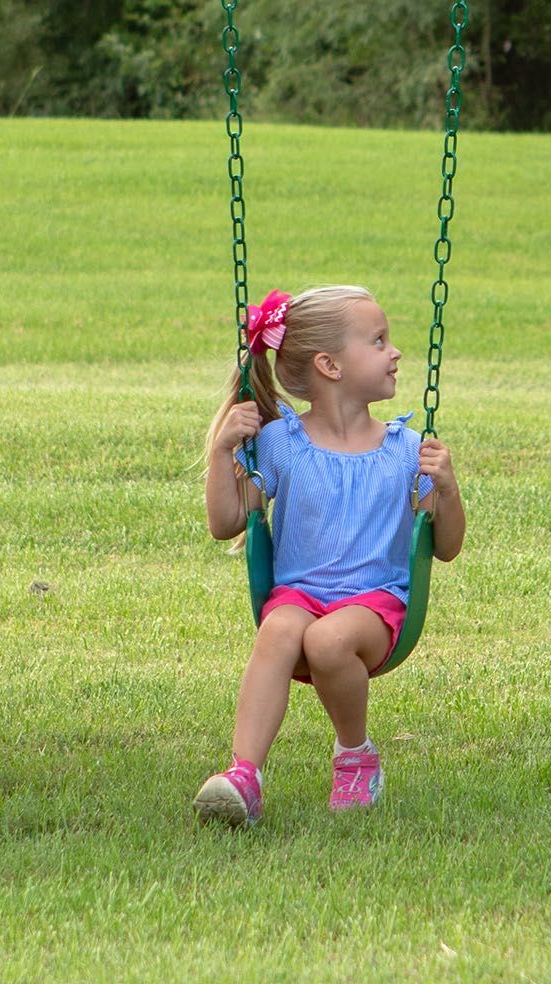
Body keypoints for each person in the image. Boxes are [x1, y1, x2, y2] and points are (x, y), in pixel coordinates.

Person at [195, 285, 465, 825]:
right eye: (379, 340)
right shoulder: (281, 444)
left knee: (329, 638)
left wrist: (449, 490)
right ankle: (243, 777)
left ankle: (355, 756)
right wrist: (224, 451)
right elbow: (225, 523)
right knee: (279, 629)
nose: (396, 353)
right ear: (330, 366)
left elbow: (446, 546)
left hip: (375, 605)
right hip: (299, 594)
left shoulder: (405, 450)